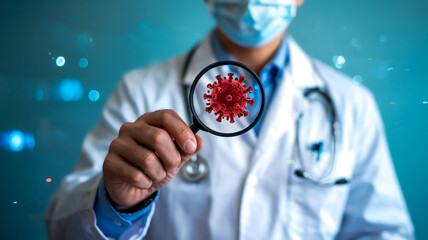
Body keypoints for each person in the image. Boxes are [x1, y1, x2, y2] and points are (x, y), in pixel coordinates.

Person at [45, 0, 415, 239]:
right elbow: (63, 229)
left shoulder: (352, 104)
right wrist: (115, 205)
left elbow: (383, 230)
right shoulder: (141, 90)